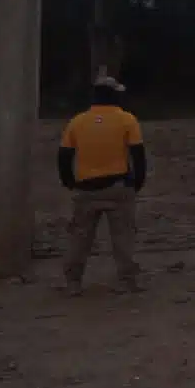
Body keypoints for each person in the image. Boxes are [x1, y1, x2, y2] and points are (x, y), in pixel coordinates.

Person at [58, 76, 146, 295]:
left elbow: (64, 155)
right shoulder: (127, 119)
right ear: (115, 95)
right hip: (117, 186)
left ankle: (73, 282)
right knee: (123, 236)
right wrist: (137, 182)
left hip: (85, 188)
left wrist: (70, 182)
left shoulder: (77, 121)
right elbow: (138, 154)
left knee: (80, 236)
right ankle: (126, 280)